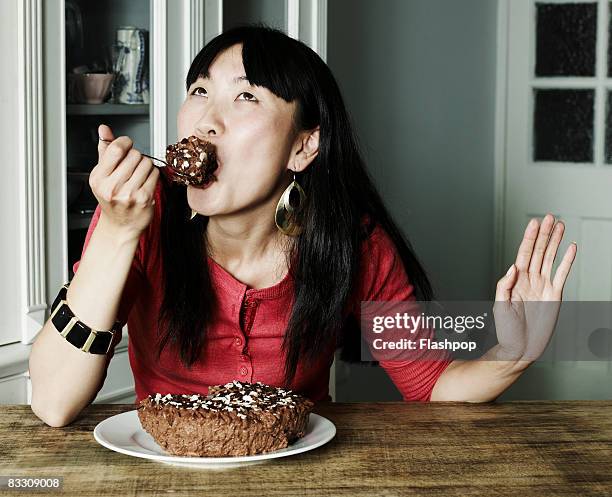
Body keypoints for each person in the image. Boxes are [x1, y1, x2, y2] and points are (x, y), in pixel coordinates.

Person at [29, 25, 577, 427]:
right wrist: (120, 232)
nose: (205, 120)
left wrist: (514, 353)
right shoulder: (140, 219)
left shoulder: (353, 245)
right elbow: (53, 402)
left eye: (245, 96)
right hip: (165, 472)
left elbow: (432, 385)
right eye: (199, 91)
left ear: (303, 144)